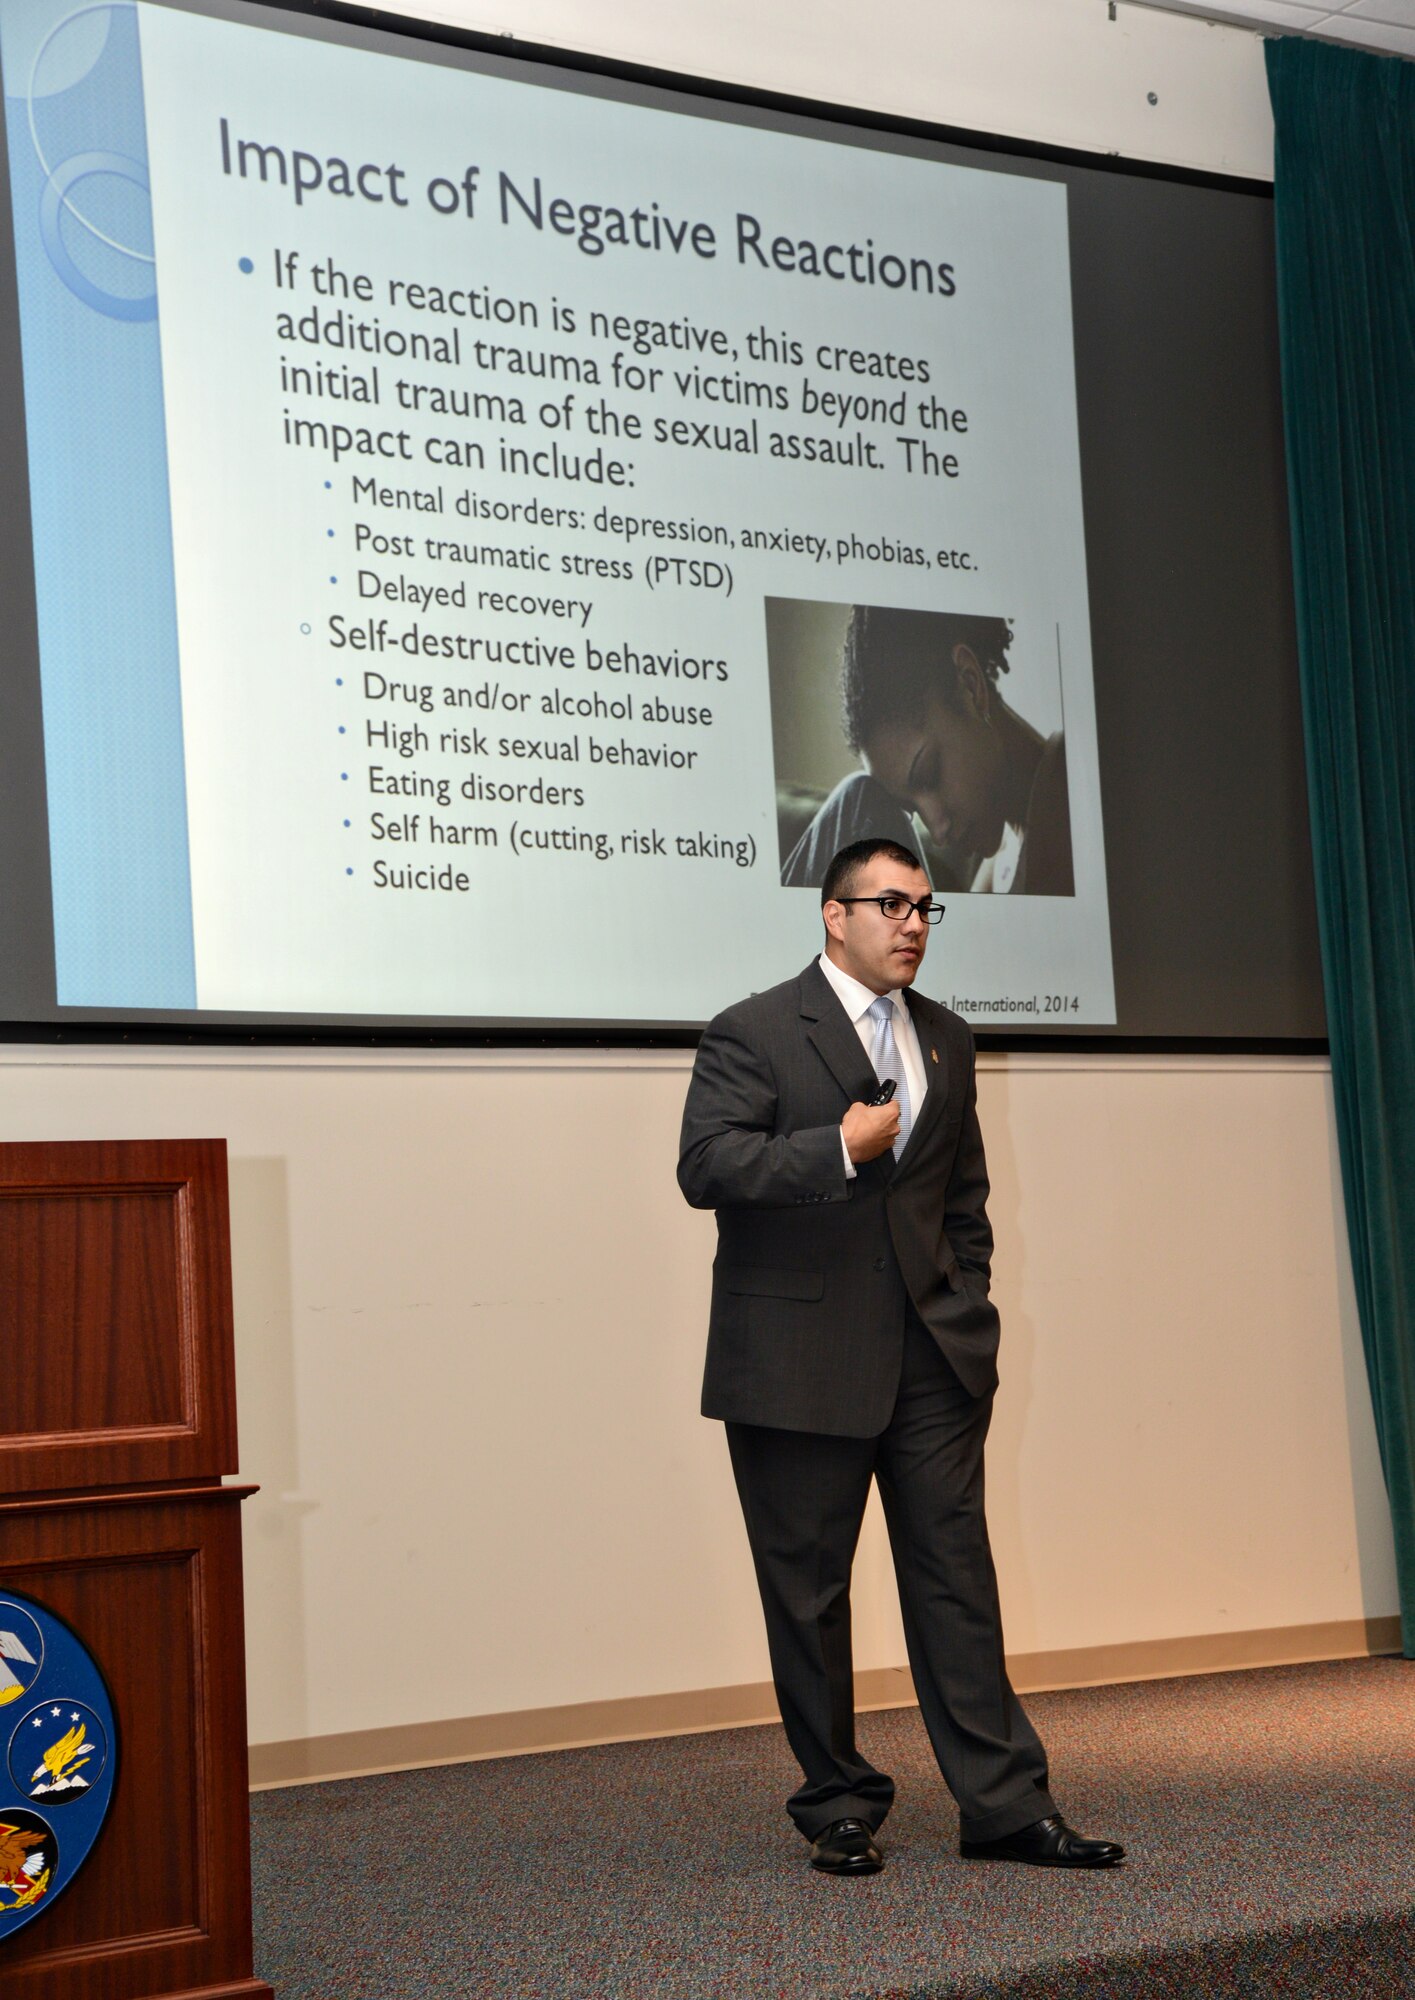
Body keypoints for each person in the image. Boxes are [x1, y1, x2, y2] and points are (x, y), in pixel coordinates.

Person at [677, 836, 1121, 1876]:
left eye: (924, 907)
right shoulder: (750, 1031)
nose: (913, 922)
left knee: (954, 1579)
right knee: (809, 1593)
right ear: (833, 915)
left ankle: (1004, 1804)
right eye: (890, 904)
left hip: (930, 1360)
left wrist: (966, 1304)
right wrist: (835, 1146)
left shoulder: (947, 1038)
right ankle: (836, 1801)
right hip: (793, 1363)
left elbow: (959, 1200)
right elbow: (705, 1163)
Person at [781, 608, 1073, 896]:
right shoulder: (997, 864)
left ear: (971, 685)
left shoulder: (1073, 780)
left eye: (929, 774)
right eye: (912, 810)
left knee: (856, 795)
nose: (938, 832)